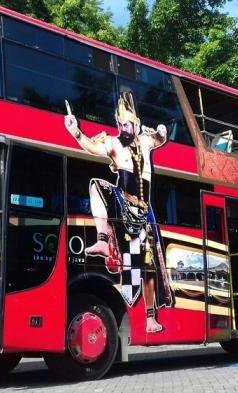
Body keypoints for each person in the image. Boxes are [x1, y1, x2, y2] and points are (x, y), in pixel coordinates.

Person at [64, 91, 173, 333]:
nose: (124, 127)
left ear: (136, 124)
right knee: (96, 185)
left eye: (128, 123)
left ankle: (150, 317)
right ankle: (103, 239)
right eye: (121, 123)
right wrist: (75, 131)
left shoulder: (144, 141)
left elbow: (158, 139)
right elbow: (92, 147)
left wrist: (163, 132)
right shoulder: (113, 143)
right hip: (122, 204)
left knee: (148, 267)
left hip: (145, 213)